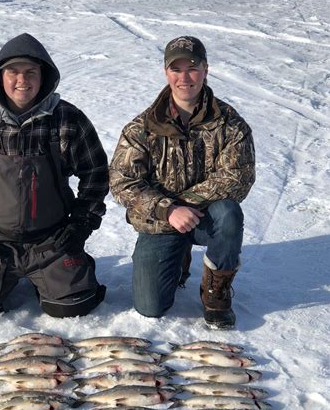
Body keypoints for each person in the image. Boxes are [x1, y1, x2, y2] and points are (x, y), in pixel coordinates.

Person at [0, 32, 109, 323]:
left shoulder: (67, 119)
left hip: (52, 240)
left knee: (73, 307)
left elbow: (96, 174)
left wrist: (81, 223)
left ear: (44, 77)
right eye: (13, 72)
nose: (22, 80)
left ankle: (67, 271)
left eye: (31, 72)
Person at [109, 35, 255, 329]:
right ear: (166, 72)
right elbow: (122, 181)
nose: (184, 78)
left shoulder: (230, 123)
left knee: (229, 214)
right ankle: (179, 257)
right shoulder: (141, 127)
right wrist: (168, 209)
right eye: (176, 69)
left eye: (192, 68)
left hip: (206, 216)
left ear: (205, 70)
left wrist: (186, 204)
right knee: (149, 307)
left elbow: (238, 176)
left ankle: (216, 292)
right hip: (162, 221)